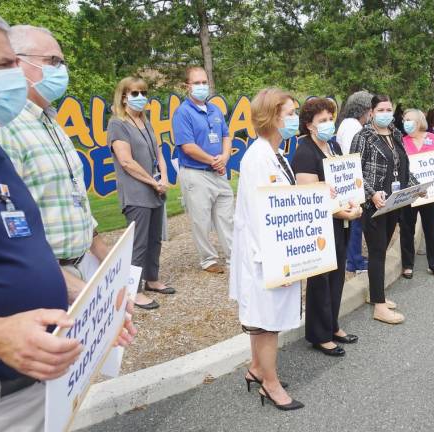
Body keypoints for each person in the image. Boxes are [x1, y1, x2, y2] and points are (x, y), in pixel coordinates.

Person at [0, 15, 135, 431]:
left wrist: (93, 290)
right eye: (3, 66)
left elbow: (27, 231)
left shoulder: (40, 127)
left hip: (33, 376)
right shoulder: (9, 132)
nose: (12, 76)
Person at [0, 25, 108, 297]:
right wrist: (74, 289)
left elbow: (73, 197)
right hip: (45, 279)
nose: (61, 71)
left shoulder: (51, 122)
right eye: (52, 61)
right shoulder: (5, 128)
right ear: (18, 63)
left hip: (81, 268)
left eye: (62, 62)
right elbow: (10, 226)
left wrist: (103, 252)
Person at [229, 88, 304, 411]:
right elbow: (261, 214)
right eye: (289, 113)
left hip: (272, 250)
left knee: (263, 317)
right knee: (267, 321)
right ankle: (269, 384)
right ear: (272, 117)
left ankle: (258, 368)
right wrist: (278, 264)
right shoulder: (258, 157)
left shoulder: (275, 153)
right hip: (265, 254)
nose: (295, 119)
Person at [292, 98, 361, 357]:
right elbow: (309, 195)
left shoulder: (332, 146)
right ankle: (319, 335)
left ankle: (332, 325)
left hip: (340, 220)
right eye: (322, 120)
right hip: (320, 225)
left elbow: (345, 182)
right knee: (320, 279)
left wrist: (356, 204)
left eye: (330, 118)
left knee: (337, 275)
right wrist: (342, 211)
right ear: (309, 125)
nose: (328, 124)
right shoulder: (305, 152)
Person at [107, 77, 175, 310]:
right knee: (138, 244)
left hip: (155, 191)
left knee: (154, 239)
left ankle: (152, 280)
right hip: (137, 193)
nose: (140, 97)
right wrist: (152, 182)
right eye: (134, 93)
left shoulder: (145, 122)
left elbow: (158, 153)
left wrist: (164, 178)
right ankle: (133, 291)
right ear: (123, 96)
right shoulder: (118, 124)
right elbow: (126, 161)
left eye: (143, 92)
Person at [350, 95, 419, 325]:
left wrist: (417, 186)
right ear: (371, 112)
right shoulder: (363, 137)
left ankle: (375, 293)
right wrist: (371, 193)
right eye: (381, 109)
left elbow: (404, 166)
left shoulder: (395, 134)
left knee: (383, 247)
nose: (386, 113)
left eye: (389, 109)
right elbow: (355, 171)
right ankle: (379, 306)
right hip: (374, 205)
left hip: (394, 202)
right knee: (378, 251)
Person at [172, 66, 233, 274]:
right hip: (196, 173)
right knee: (201, 220)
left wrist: (224, 157)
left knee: (226, 216)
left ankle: (234, 255)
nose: (201, 86)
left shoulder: (215, 109)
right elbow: (187, 146)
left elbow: (226, 136)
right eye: (196, 83)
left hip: (218, 172)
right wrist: (212, 160)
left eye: (204, 82)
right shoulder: (183, 113)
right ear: (187, 86)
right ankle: (208, 260)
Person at [400, 109, 434, 280]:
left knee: (432, 230)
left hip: (431, 193)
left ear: (419, 121)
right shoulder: (401, 141)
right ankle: (407, 265)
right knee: (407, 229)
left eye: (410, 119)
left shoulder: (433, 139)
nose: (406, 122)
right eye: (404, 119)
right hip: (410, 193)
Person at [336, 90, 373, 274]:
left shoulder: (347, 123)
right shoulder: (353, 126)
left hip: (348, 179)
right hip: (352, 180)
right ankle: (355, 262)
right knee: (355, 222)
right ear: (365, 109)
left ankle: (354, 258)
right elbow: (355, 155)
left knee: (354, 222)